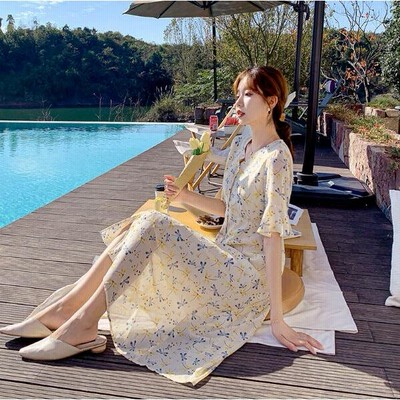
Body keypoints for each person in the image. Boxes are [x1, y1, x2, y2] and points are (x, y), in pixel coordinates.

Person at [0, 66, 323, 385]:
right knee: (140, 223)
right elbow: (227, 209)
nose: (237, 102)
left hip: (247, 277)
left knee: (154, 223)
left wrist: (277, 319)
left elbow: (273, 235)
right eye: (237, 94)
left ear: (271, 101)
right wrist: (184, 196)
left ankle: (82, 324)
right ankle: (65, 309)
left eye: (248, 94)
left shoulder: (277, 158)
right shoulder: (242, 145)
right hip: (223, 256)